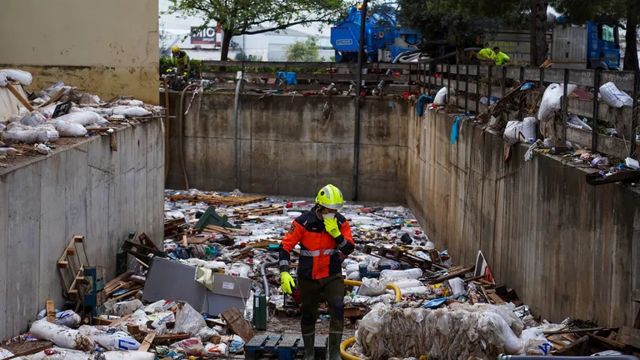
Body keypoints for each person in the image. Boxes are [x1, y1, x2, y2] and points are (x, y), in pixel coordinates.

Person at [279, 184, 355, 360]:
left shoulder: (341, 222)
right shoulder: (303, 222)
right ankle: (309, 352)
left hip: (332, 274)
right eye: (329, 209)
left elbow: (349, 248)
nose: (332, 212)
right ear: (320, 206)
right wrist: (284, 271)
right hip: (308, 276)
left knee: (337, 307)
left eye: (335, 209)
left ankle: (334, 353)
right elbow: (285, 247)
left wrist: (336, 234)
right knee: (308, 313)